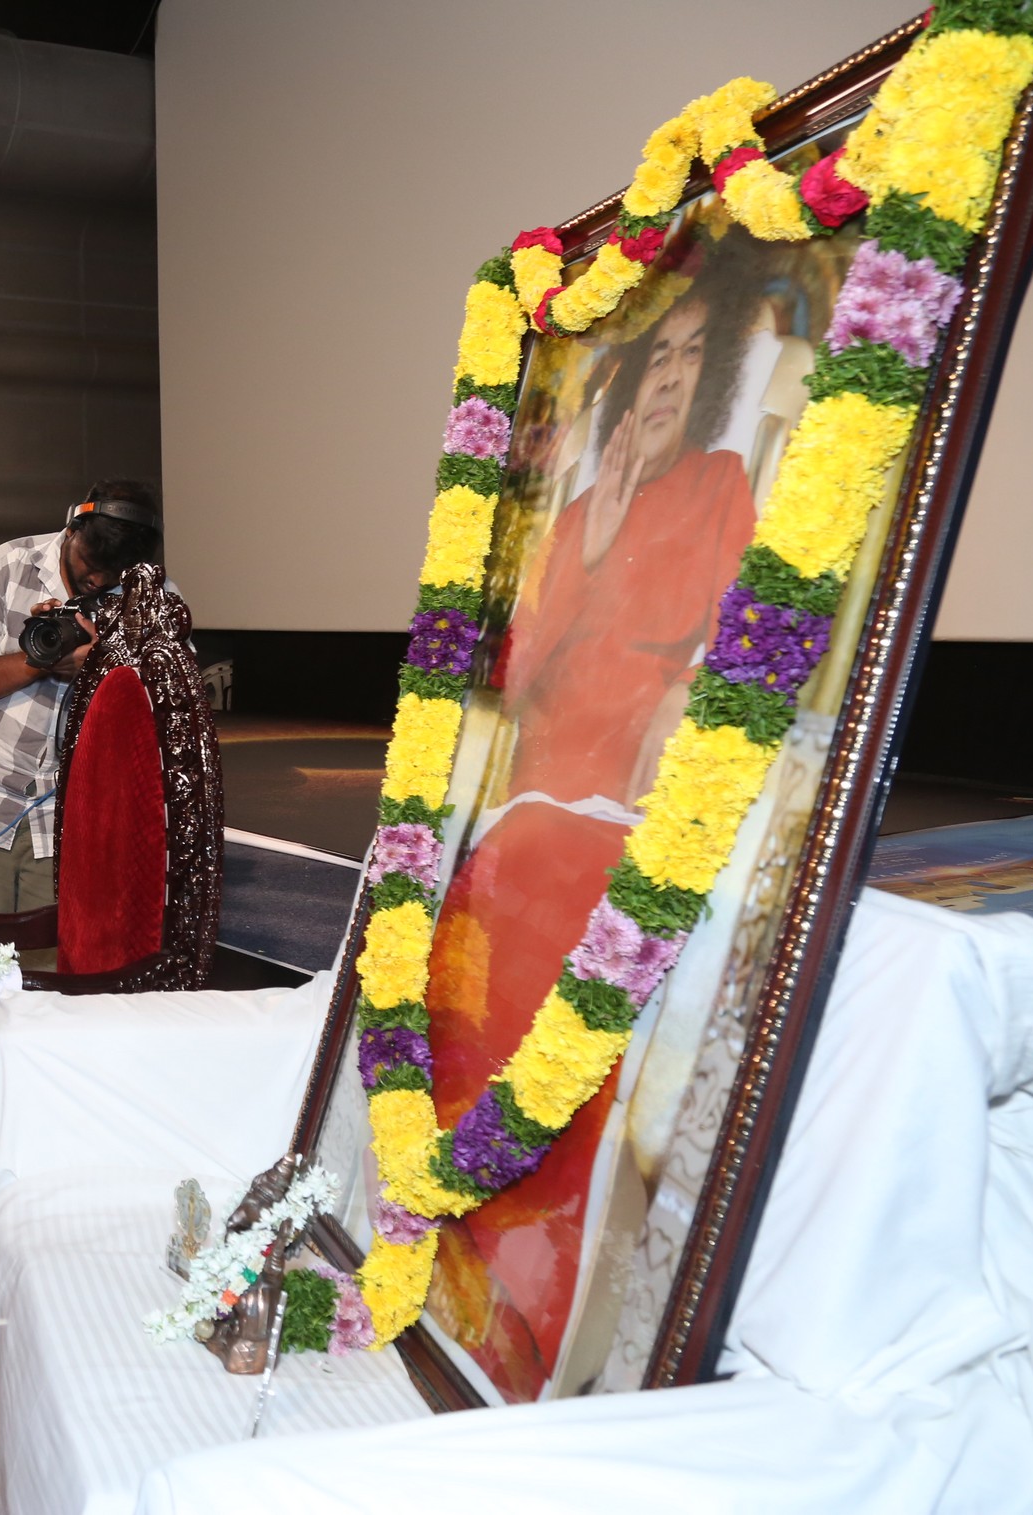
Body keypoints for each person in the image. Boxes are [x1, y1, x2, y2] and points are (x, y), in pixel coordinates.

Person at [422, 268, 762, 1400]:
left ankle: (541, 1264)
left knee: (559, 920)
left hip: (635, 801)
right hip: (542, 790)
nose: (670, 378)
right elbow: (520, 682)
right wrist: (595, 540)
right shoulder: (576, 514)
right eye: (657, 357)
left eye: (692, 358)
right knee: (472, 912)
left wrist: (681, 702)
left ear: (711, 381)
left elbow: (731, 642)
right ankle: (460, 1215)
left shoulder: (719, 484)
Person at [0, 480, 164, 919]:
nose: (97, 581)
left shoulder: (154, 600)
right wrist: (37, 660)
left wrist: (104, 669)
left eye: (112, 575)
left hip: (79, 825)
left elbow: (172, 709)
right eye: (90, 564)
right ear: (72, 528)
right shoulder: (9, 565)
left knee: (56, 963)